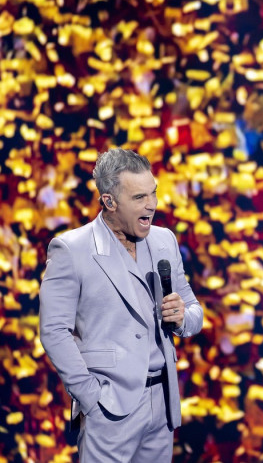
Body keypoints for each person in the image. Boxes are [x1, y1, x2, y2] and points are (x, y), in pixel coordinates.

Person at [40, 148, 204, 462]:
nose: (152, 205)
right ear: (109, 202)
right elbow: (53, 332)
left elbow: (194, 311)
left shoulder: (164, 240)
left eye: (153, 193)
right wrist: (91, 398)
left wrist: (183, 317)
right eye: (140, 197)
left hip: (162, 406)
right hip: (110, 410)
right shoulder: (71, 249)